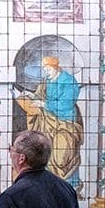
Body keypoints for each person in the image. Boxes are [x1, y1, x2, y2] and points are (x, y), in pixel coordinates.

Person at [14, 56, 84, 191]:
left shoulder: (68, 81)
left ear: (55, 67)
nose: (45, 71)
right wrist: (31, 95)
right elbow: (40, 95)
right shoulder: (46, 81)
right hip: (47, 122)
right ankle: (48, 186)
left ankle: (68, 186)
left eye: (47, 68)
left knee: (63, 153)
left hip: (66, 123)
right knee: (46, 150)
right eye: (44, 68)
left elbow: (67, 103)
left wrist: (44, 104)